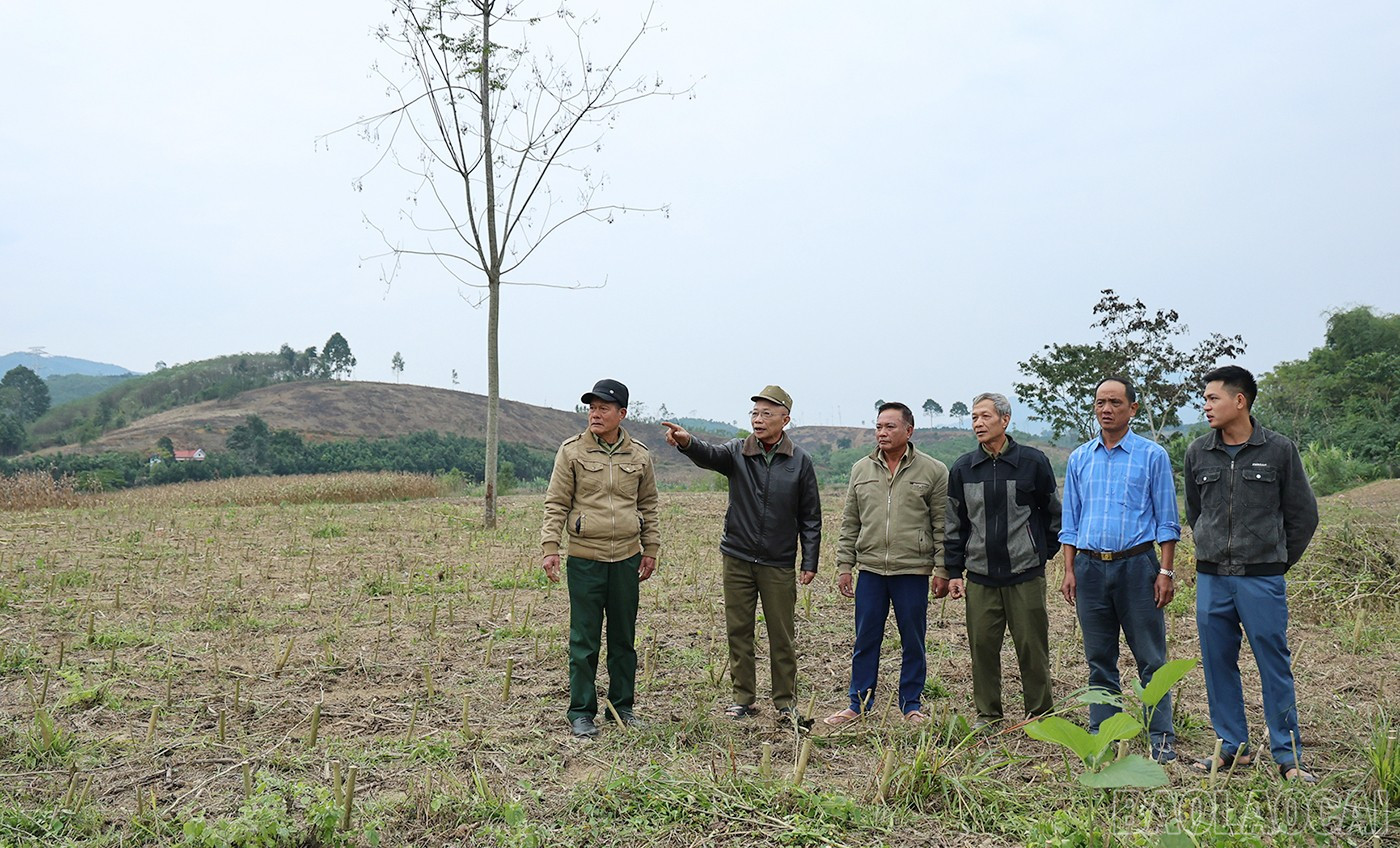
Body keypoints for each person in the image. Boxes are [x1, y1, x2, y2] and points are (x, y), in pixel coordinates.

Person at [1184, 365, 1319, 782]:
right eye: (1205, 399)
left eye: (1212, 398)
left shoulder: (1278, 450)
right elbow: (1196, 513)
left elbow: (1303, 515)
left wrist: (1275, 563)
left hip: (1261, 579)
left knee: (1272, 663)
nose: (1205, 406)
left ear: (1239, 401)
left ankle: (1287, 754)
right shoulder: (1197, 452)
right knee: (1217, 663)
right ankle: (1232, 747)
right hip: (1212, 579)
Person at [661, 386, 821, 727]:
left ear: (785, 420)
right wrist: (688, 442)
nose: (758, 420)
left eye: (766, 414)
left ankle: (784, 702)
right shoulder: (737, 452)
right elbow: (709, 454)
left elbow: (810, 516)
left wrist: (809, 561)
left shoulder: (800, 462)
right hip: (737, 556)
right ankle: (743, 699)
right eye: (755, 414)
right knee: (739, 631)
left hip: (778, 562)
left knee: (782, 634)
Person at [1059, 376, 1181, 763]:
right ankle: (1102, 731)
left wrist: (1166, 572)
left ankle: (1160, 734)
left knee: (1151, 658)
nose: (1106, 409)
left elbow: (1167, 520)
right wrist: (1069, 569)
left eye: (1114, 402)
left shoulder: (1151, 456)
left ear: (1133, 408)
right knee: (1099, 658)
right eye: (1099, 402)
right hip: (1091, 568)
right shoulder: (1080, 458)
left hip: (1138, 566)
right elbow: (1071, 523)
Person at [541, 379, 659, 738]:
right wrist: (550, 547)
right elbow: (556, 502)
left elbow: (648, 505)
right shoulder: (572, 452)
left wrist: (650, 549)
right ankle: (581, 712)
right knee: (584, 640)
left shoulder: (639, 455)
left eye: (603, 408)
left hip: (626, 558)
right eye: (592, 407)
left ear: (621, 414)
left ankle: (621, 708)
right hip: (585, 559)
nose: (595, 413)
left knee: (624, 639)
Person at [825, 402, 948, 726]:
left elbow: (941, 524)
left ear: (909, 430)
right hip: (871, 570)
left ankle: (911, 704)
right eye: (879, 426)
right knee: (865, 639)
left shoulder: (933, 471)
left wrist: (942, 569)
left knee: (913, 640)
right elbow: (850, 522)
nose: (882, 432)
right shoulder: (860, 470)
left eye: (890, 426)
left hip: (912, 570)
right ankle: (859, 703)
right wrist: (844, 566)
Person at [945, 393, 1061, 727]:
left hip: (1025, 574)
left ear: (1005, 420)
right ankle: (988, 714)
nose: (977, 423)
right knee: (982, 648)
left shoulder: (1032, 462)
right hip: (980, 575)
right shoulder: (964, 468)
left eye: (984, 416)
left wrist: (1041, 553)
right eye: (973, 417)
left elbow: (1054, 513)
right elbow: (955, 524)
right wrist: (954, 570)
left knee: (1032, 648)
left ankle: (1040, 715)